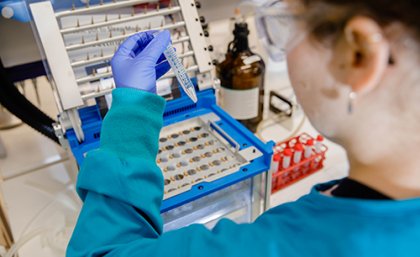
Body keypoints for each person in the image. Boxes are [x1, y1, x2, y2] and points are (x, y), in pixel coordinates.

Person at [67, 0, 420, 256]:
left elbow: (100, 252)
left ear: (358, 54)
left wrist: (130, 112)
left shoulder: (287, 244)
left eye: (284, 24)